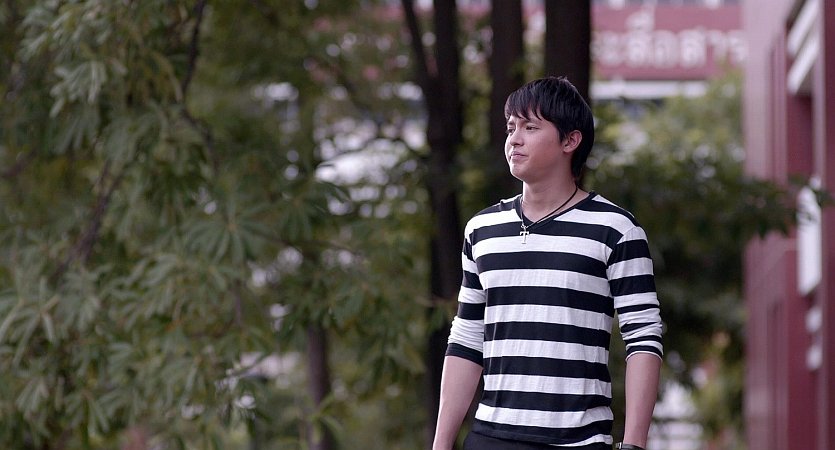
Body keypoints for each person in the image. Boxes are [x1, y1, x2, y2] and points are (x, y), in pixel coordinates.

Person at [432, 76, 663, 450]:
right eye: (511, 127)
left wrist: (633, 444)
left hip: (578, 441)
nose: (514, 139)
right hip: (491, 437)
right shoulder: (482, 229)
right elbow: (467, 339)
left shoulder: (616, 229)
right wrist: (441, 444)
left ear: (570, 141)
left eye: (530, 127)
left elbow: (643, 338)